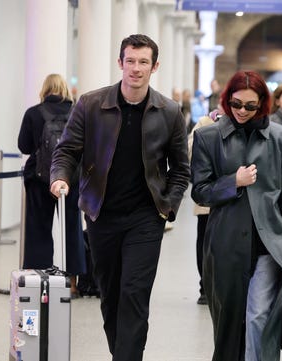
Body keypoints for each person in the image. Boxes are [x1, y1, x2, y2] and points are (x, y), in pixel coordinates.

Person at [49, 34, 190, 361]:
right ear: (120, 63)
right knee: (111, 297)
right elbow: (67, 150)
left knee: (134, 295)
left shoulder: (169, 112)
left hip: (145, 219)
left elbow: (181, 169)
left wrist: (166, 208)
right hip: (101, 215)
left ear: (155, 66)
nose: (136, 69)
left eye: (143, 62)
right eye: (130, 61)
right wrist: (60, 178)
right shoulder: (91, 104)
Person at [190, 70, 282, 361]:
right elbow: (200, 191)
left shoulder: (280, 138)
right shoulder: (208, 136)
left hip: (270, 243)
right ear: (227, 100)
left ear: (263, 104)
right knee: (228, 324)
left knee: (259, 317)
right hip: (226, 242)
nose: (242, 111)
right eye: (236, 104)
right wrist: (234, 182)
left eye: (250, 106)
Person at [18, 73, 86, 298]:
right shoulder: (77, 112)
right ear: (65, 89)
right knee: (72, 228)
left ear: (45, 89)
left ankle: (40, 280)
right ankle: (73, 283)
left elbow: (24, 146)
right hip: (71, 178)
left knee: (38, 229)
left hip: (39, 179)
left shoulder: (33, 113)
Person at [188, 108, 223, 305]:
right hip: (207, 198)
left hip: (234, 197)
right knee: (204, 243)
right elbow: (190, 151)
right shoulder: (204, 123)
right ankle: (205, 286)